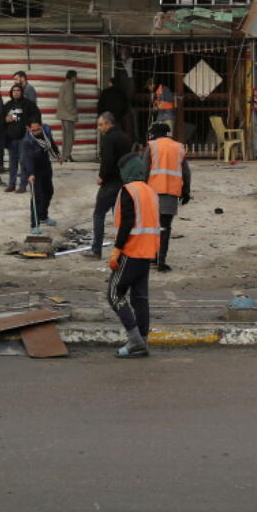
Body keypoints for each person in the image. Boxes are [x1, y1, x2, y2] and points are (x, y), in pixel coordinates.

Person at [107, 152, 161, 358]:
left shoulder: (128, 190)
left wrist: (116, 249)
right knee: (140, 298)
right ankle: (143, 340)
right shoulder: (150, 191)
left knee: (114, 294)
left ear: (127, 170)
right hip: (147, 252)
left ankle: (135, 341)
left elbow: (127, 223)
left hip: (131, 251)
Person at [143, 122, 191, 273]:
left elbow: (143, 171)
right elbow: (186, 173)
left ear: (153, 133)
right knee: (165, 227)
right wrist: (186, 191)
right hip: (170, 193)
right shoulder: (178, 147)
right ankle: (161, 262)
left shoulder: (151, 146)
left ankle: (152, 257)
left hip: (152, 192)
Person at [87, 112, 131, 260]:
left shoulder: (108, 139)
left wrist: (102, 177)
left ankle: (96, 250)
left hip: (111, 182)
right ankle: (123, 249)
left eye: (101, 125)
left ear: (108, 123)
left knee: (98, 214)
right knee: (118, 217)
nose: (99, 128)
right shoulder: (125, 137)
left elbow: (107, 161)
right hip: (124, 181)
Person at [21, 119, 59, 235]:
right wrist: (31, 174)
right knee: (36, 197)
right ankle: (35, 224)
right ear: (29, 129)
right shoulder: (27, 141)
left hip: (45, 167)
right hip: (34, 170)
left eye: (38, 129)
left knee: (49, 192)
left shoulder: (45, 134)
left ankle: (43, 216)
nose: (36, 131)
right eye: (34, 130)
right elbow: (28, 159)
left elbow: (51, 144)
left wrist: (57, 154)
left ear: (41, 127)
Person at [3, 83, 41, 194]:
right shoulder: (8, 105)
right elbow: (2, 119)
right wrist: (6, 119)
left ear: (22, 92)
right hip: (11, 138)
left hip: (24, 138)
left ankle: (23, 185)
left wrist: (31, 125)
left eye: (18, 90)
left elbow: (35, 116)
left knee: (24, 162)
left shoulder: (29, 104)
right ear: (11, 92)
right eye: (14, 90)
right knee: (12, 162)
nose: (16, 92)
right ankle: (11, 184)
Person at [55, 70, 79, 163]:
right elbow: (69, 102)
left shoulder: (64, 85)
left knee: (65, 137)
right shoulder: (69, 86)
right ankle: (67, 156)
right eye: (76, 77)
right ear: (73, 77)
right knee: (70, 137)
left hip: (63, 115)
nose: (76, 79)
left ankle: (64, 156)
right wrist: (73, 113)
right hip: (68, 116)